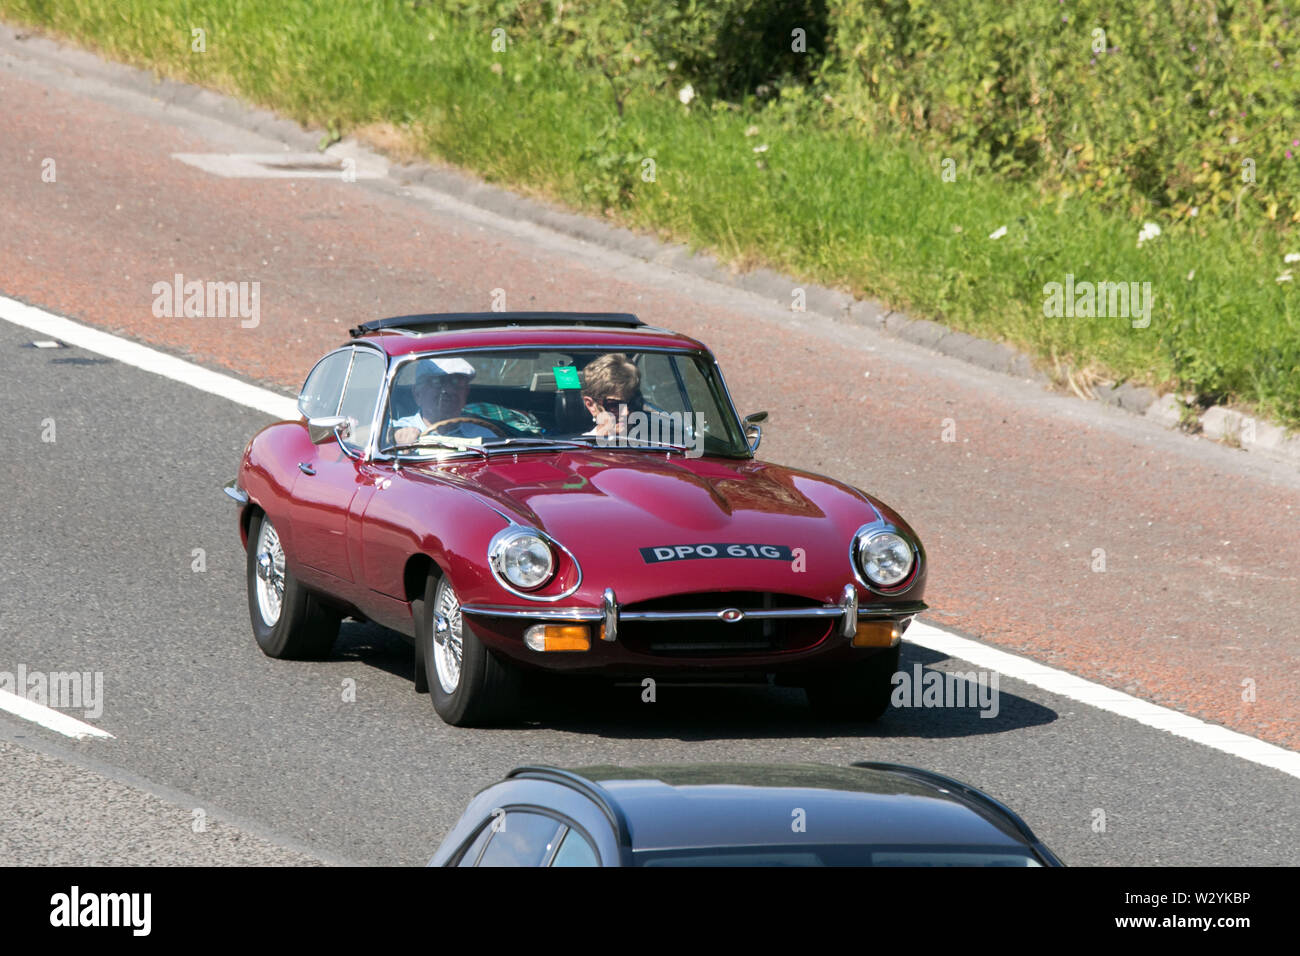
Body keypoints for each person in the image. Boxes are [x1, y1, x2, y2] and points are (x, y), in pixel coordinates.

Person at [390, 357, 499, 444]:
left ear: (466, 393)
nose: (448, 390)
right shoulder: (397, 431)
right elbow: (378, 437)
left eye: (457, 383)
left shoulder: (483, 436)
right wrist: (393, 437)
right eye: (437, 382)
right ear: (417, 394)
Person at [580, 352, 643, 437]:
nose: (626, 412)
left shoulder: (656, 446)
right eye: (614, 405)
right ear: (591, 405)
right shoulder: (578, 448)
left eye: (633, 403)